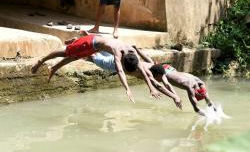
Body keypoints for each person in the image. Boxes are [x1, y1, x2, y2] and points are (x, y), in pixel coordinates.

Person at [84, 45, 216, 116]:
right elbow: (160, 86)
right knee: (96, 59)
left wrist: (137, 50)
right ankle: (84, 53)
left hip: (170, 69)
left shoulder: (157, 67)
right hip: (119, 64)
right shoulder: (190, 84)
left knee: (106, 51)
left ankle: (93, 45)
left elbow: (164, 80)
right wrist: (198, 110)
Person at [31, 33, 161, 103]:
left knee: (75, 56)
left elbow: (143, 71)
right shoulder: (118, 52)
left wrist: (151, 88)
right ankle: (41, 60)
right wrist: (127, 89)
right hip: (90, 43)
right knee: (67, 52)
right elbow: (120, 70)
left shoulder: (133, 54)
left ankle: (54, 68)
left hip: (96, 45)